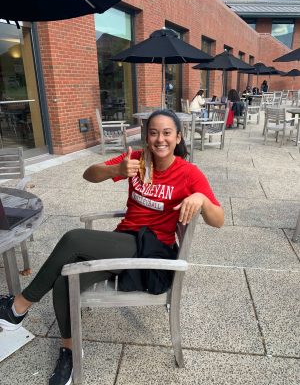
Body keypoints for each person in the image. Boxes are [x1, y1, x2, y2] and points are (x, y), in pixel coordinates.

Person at [0, 109, 224, 385]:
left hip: (150, 255)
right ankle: (69, 351)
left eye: (167, 133)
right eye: (153, 132)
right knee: (63, 282)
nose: (160, 139)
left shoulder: (189, 174)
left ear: (178, 137)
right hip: (123, 244)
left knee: (74, 239)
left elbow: (219, 220)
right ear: (146, 137)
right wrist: (115, 170)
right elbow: (89, 175)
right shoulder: (137, 160)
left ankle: (18, 307)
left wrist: (201, 197)